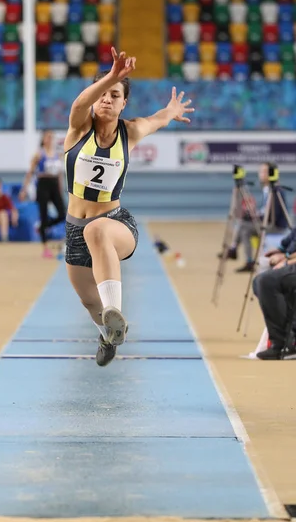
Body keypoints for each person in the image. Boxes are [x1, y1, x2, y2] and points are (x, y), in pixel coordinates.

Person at [63, 48, 194, 367]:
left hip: (114, 222)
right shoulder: (80, 128)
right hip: (74, 229)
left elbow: (156, 121)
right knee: (87, 299)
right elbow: (79, 103)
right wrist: (112, 75)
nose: (107, 98)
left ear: (124, 104)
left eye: (115, 94)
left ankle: (114, 312)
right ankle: (108, 334)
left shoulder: (129, 131)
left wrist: (170, 111)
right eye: (103, 93)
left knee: (97, 231)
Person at [226, 163, 289, 273]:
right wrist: (254, 215)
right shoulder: (266, 190)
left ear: (272, 173)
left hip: (275, 227)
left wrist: (257, 217)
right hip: (268, 222)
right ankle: (245, 258)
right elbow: (265, 210)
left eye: (265, 172)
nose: (261, 174)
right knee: (244, 226)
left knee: (244, 227)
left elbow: (273, 215)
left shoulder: (276, 191)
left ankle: (236, 250)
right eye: (260, 171)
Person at [19, 131, 66, 258]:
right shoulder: (39, 154)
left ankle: (43, 227)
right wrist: (24, 190)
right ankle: (45, 248)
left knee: (63, 214)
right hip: (43, 185)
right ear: (43, 139)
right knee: (44, 215)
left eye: (52, 137)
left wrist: (60, 188)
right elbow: (30, 172)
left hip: (54, 184)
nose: (50, 139)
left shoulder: (58, 155)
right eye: (48, 137)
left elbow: (60, 173)